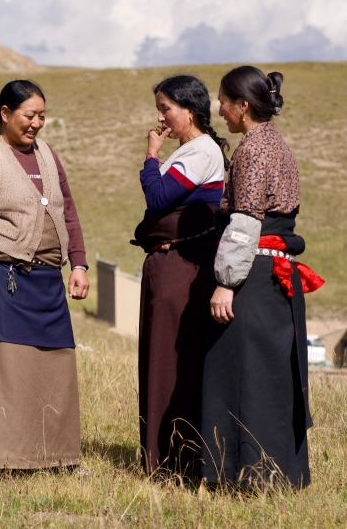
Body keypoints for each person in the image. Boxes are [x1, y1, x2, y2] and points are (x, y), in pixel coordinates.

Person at [0, 79, 89, 470]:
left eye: (42, 116)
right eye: (30, 116)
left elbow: (69, 212)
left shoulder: (48, 155)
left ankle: (53, 457)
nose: (36, 124)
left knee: (53, 366)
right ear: (5, 113)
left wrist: (77, 262)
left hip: (46, 283)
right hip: (0, 278)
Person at [200, 66, 324, 490]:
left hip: (251, 273)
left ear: (243, 106)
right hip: (275, 272)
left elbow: (246, 219)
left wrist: (225, 282)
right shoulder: (278, 145)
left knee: (240, 373)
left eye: (223, 101)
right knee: (271, 372)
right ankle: (276, 476)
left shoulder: (254, 149)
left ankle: (240, 476)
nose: (219, 109)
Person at [133, 75, 228, 478]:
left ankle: (176, 458)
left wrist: (151, 156)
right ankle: (161, 455)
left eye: (166, 108)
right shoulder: (191, 151)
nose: (160, 117)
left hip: (183, 270)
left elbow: (158, 198)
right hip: (168, 266)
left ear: (190, 111)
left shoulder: (201, 152)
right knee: (161, 357)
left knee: (173, 360)